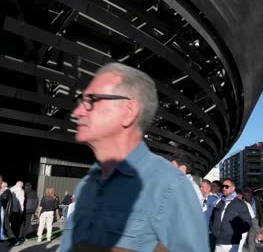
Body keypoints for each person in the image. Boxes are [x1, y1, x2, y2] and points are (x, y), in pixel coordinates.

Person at [61, 62, 208, 251]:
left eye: (92, 100)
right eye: (81, 101)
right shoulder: (86, 185)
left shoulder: (170, 187)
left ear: (128, 111)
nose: (78, 111)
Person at [210, 178, 251, 252]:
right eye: (223, 186)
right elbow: (213, 218)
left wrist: (235, 233)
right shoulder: (219, 202)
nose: (224, 188)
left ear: (233, 188)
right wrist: (213, 230)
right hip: (218, 241)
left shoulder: (241, 204)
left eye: (226, 186)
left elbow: (248, 223)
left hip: (231, 243)